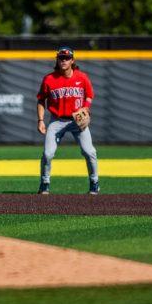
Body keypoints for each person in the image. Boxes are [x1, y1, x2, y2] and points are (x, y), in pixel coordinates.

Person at [36, 46, 99, 195]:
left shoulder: (81, 77)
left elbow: (89, 95)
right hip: (57, 121)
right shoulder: (49, 79)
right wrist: (40, 120)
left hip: (77, 120)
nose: (63, 60)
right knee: (48, 154)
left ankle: (94, 182)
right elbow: (41, 100)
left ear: (72, 60)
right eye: (61, 58)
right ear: (57, 60)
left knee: (89, 152)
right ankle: (45, 183)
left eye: (67, 58)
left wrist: (86, 108)